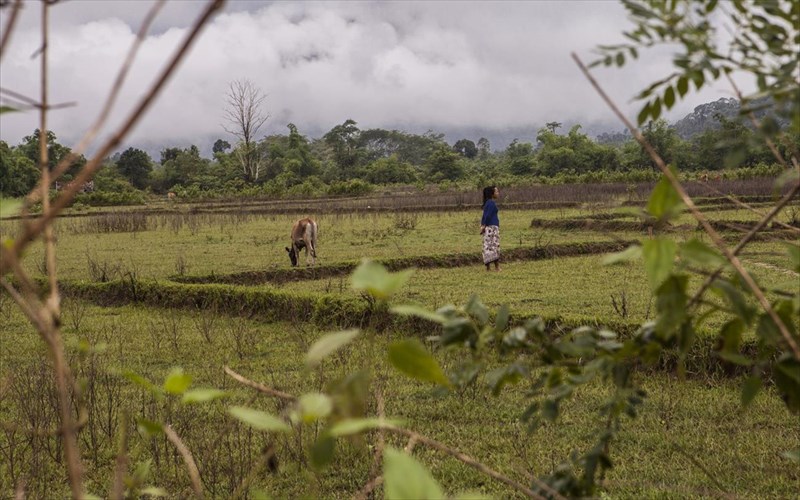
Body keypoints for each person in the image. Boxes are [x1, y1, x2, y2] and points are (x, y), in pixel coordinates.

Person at [480, 186, 501, 271]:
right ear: (492, 194)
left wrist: (482, 225)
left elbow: (484, 216)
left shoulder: (486, 203)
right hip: (492, 227)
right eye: (496, 192)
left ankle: (488, 267)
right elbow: (488, 216)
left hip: (488, 228)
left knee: (487, 246)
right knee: (494, 246)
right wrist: (484, 225)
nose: (498, 193)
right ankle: (497, 267)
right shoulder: (491, 203)